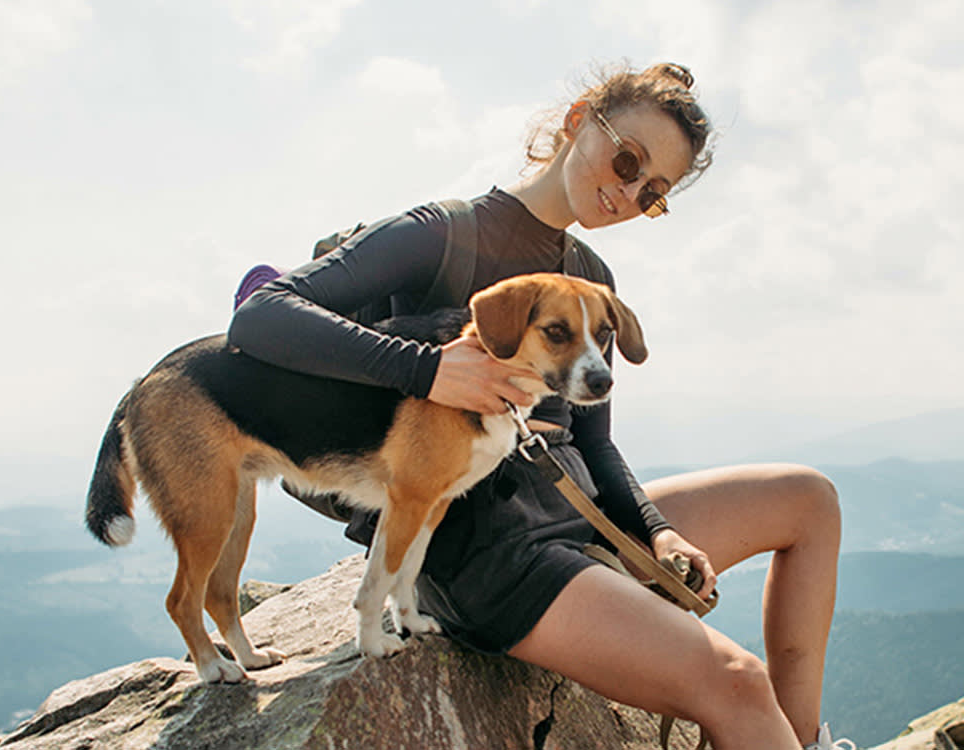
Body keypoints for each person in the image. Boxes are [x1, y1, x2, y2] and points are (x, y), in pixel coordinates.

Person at [228, 61, 853, 750]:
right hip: (482, 550)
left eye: (653, 193)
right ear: (580, 119)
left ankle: (795, 742)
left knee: (809, 500)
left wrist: (656, 531)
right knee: (736, 681)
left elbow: (594, 443)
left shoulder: (589, 276)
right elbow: (262, 316)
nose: (627, 191)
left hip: (569, 513)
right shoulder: (441, 235)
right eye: (627, 160)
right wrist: (428, 369)